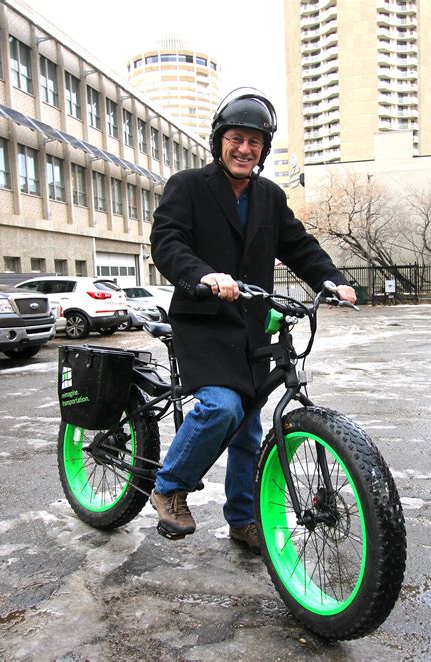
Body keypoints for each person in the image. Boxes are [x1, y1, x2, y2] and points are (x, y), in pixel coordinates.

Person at [149, 87, 356, 554]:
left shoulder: (269, 196)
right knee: (221, 407)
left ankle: (243, 519)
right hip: (203, 324)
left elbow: (299, 246)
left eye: (255, 142)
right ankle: (169, 486)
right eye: (236, 138)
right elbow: (167, 243)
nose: (245, 149)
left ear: (264, 149)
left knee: (250, 427)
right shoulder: (188, 186)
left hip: (252, 330)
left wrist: (331, 279)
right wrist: (204, 275)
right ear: (219, 139)